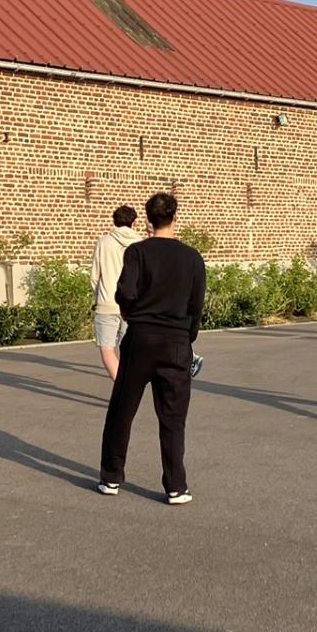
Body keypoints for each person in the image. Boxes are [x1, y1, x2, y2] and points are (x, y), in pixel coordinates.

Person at [97, 192, 207, 505]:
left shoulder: (137, 253)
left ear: (147, 219)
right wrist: (188, 337)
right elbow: (196, 304)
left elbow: (124, 293)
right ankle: (175, 486)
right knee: (173, 418)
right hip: (176, 342)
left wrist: (133, 315)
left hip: (141, 338)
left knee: (122, 409)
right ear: (175, 217)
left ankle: (111, 477)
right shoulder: (192, 258)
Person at [90, 205, 139, 381]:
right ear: (134, 222)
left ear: (114, 221)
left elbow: (95, 276)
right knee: (129, 351)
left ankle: (122, 389)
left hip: (107, 302)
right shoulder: (140, 244)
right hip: (132, 306)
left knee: (107, 350)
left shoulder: (103, 242)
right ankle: (129, 386)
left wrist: (97, 296)